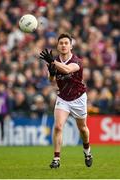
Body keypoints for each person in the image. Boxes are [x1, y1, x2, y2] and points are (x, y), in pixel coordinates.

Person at [40, 33, 93, 168]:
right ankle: (56, 159)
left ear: (71, 46)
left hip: (78, 98)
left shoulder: (77, 61)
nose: (63, 45)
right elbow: (52, 82)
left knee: (82, 129)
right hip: (63, 97)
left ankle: (87, 151)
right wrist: (52, 73)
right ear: (58, 46)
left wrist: (53, 63)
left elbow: (67, 69)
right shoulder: (55, 60)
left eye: (66, 43)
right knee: (58, 126)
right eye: (61, 43)